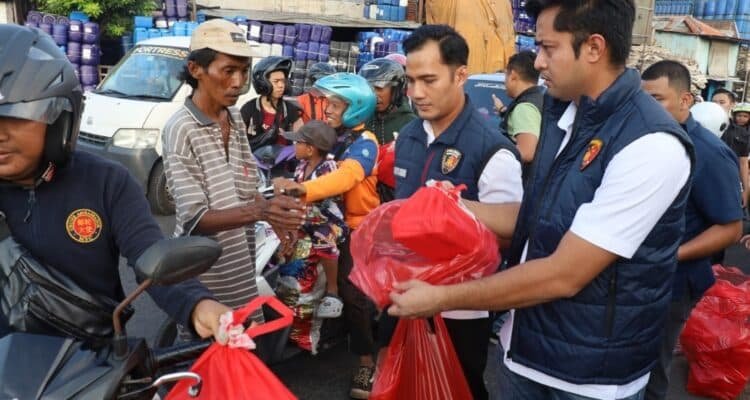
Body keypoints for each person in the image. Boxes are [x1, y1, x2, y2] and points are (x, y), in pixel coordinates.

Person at [388, 2, 696, 400]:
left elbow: (565, 274)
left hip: (588, 379)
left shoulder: (651, 145)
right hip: (524, 350)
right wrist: (450, 204)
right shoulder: (561, 115)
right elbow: (537, 218)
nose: (538, 61)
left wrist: (439, 298)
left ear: (594, 48)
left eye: (548, 48)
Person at [0, 24, 230, 341]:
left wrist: (198, 305)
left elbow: (150, 253)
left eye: (15, 117)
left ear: (56, 117)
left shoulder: (106, 183)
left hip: (90, 369)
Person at [390, 24, 523, 400]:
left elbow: (508, 236)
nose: (416, 93)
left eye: (429, 80)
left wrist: (456, 211)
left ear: (460, 74)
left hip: (461, 311)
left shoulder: (492, 150)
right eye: (411, 80)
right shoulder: (411, 136)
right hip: (402, 296)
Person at [162, 19, 306, 321]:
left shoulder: (236, 119)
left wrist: (275, 221)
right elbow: (195, 218)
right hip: (205, 281)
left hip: (240, 268)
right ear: (195, 69)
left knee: (244, 351)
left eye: (243, 71)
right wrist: (262, 212)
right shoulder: (181, 129)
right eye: (228, 71)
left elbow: (247, 189)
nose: (239, 81)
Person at [641, 60, 743, 400]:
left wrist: (670, 255)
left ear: (686, 100)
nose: (646, 107)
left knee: (651, 370)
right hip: (636, 277)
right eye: (642, 99)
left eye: (657, 99)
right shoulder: (650, 141)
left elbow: (729, 228)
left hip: (673, 283)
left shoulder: (710, 154)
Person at [275, 73, 379, 399]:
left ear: (356, 108)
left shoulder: (366, 143)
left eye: (335, 104)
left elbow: (347, 178)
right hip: (322, 219)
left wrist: (301, 189)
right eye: (329, 103)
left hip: (356, 228)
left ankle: (366, 362)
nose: (328, 109)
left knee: (352, 294)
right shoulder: (334, 135)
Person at [281, 120, 348, 318]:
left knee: (322, 237)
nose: (294, 146)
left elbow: (320, 201)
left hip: (328, 219)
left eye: (298, 143)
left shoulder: (328, 168)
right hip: (306, 217)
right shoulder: (301, 167)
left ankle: (332, 290)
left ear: (310, 149)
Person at [358, 58, 417, 202]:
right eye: (369, 88)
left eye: (379, 88)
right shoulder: (360, 119)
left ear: (396, 90)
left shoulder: (412, 124)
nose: (374, 94)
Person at [492, 50, 544, 175]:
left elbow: (526, 153)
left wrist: (493, 158)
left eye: (506, 75)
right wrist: (502, 111)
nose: (505, 81)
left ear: (513, 76)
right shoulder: (537, 97)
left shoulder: (524, 107)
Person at [241, 56, 304, 149]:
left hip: (282, 162)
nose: (281, 85)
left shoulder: (290, 110)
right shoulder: (249, 109)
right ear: (262, 82)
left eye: (283, 81)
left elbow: (301, 138)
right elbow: (238, 140)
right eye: (276, 81)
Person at [712, 88, 750, 208]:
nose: (717, 106)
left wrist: (745, 190)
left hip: (729, 185)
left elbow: (743, 163)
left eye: (722, 102)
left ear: (732, 104)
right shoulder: (700, 127)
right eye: (714, 102)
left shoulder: (741, 133)